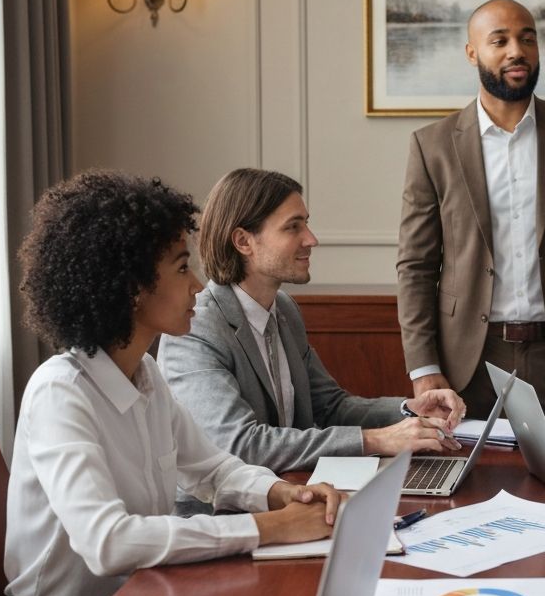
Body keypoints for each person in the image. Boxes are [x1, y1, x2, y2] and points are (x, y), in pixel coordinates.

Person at [0, 171, 343, 596]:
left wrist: (280, 492)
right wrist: (271, 528)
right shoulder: (59, 392)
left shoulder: (146, 374)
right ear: (132, 288)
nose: (199, 287)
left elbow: (213, 469)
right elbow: (109, 544)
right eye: (183, 268)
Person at [397, 0, 545, 422]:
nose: (516, 51)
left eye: (527, 39)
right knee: (463, 484)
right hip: (467, 362)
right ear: (473, 53)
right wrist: (424, 367)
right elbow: (415, 265)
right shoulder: (432, 145)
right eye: (499, 40)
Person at [159, 168, 464, 479]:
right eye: (293, 227)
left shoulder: (285, 310)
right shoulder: (198, 326)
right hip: (220, 516)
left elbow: (331, 407)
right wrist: (376, 439)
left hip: (292, 492)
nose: (311, 239)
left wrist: (410, 409)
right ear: (243, 241)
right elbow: (240, 445)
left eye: (306, 223)